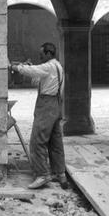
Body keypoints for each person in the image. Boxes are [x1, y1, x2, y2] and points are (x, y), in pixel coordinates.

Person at [9, 42, 68, 190]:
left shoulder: (48, 67)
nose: (40, 56)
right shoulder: (58, 67)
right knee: (55, 142)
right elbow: (37, 78)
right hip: (56, 104)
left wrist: (15, 67)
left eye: (42, 54)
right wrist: (29, 67)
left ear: (49, 53)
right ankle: (60, 173)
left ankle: (42, 174)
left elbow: (33, 71)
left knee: (37, 141)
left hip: (46, 105)